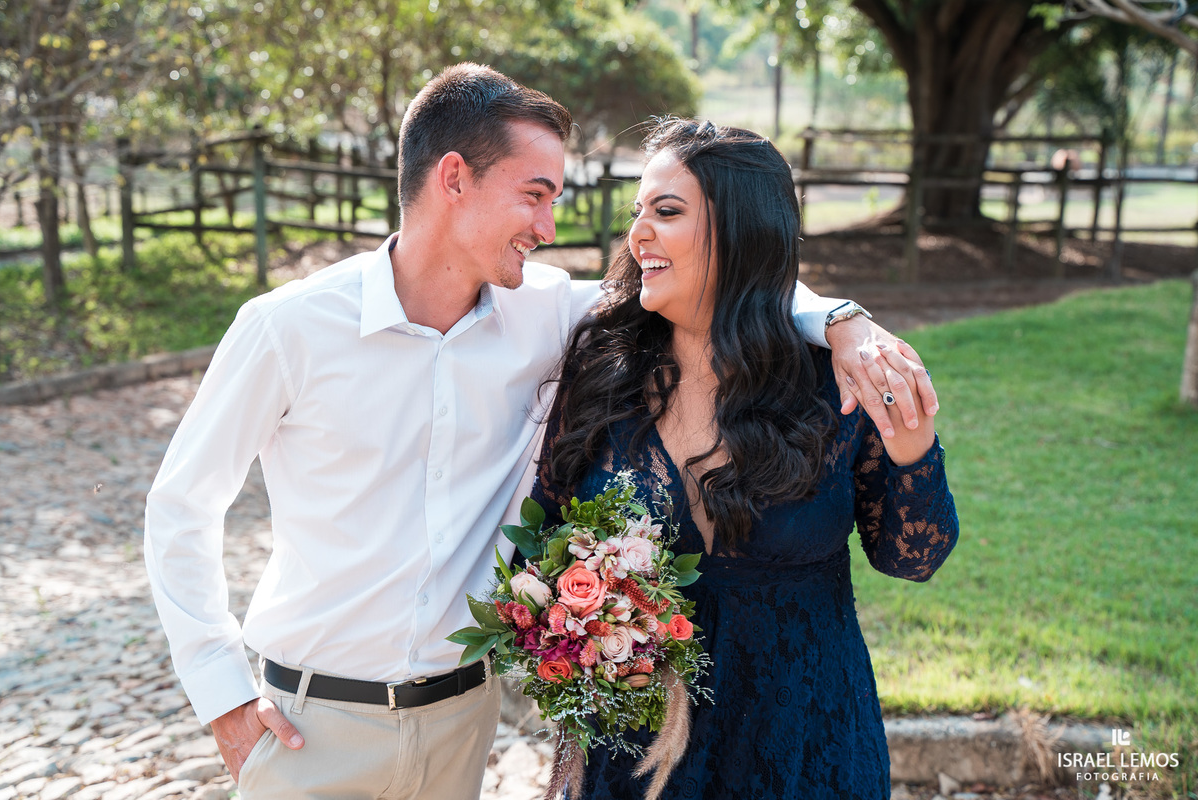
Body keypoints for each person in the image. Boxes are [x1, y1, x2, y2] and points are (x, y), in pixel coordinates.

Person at [143, 65, 935, 800]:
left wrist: (843, 322)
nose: (548, 227)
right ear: (454, 178)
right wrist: (224, 700)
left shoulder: (546, 313)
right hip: (314, 726)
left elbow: (725, 278)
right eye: (534, 195)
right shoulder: (288, 327)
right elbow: (181, 507)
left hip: (461, 723)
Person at [529, 118, 959, 799]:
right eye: (638, 212)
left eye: (667, 212)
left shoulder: (835, 384)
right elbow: (546, 534)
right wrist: (577, 625)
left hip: (803, 751)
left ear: (741, 231)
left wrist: (913, 449)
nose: (638, 234)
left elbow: (912, 558)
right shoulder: (601, 371)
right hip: (636, 761)